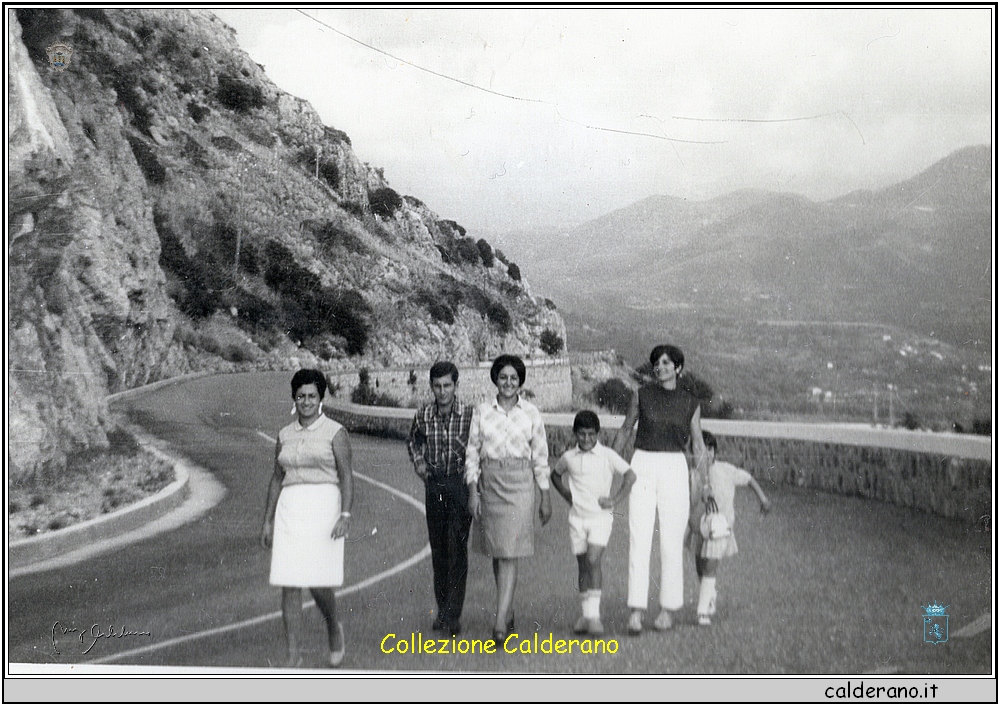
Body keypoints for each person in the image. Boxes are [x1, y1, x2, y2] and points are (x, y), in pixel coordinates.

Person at [612, 344, 716, 635]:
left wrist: (704, 483)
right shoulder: (641, 395)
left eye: (667, 363)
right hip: (643, 463)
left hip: (674, 468)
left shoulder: (690, 402)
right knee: (639, 537)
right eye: (656, 363)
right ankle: (635, 611)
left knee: (672, 541)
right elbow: (624, 431)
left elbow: (697, 444)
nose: (660, 367)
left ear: (678, 368)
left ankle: (668, 608)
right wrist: (609, 465)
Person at [261, 369, 353, 668]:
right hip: (291, 508)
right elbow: (277, 478)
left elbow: (346, 476)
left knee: (316, 581)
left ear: (320, 398)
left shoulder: (335, 432)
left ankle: (333, 626)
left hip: (324, 507)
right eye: (301, 396)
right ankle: (293, 655)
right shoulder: (284, 435)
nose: (306, 402)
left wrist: (345, 514)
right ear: (294, 398)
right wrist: (268, 520)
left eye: (312, 396)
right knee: (289, 581)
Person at [465, 354, 553, 642]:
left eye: (514, 378)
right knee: (498, 550)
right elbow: (472, 453)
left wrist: (545, 496)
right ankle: (509, 607)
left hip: (520, 484)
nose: (508, 383)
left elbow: (540, 457)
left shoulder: (531, 413)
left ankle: (500, 621)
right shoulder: (482, 411)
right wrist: (473, 492)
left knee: (509, 552)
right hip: (491, 483)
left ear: (521, 382)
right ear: (495, 379)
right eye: (503, 377)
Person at [551, 410, 636, 636]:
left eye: (591, 434)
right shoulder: (569, 457)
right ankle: (585, 615)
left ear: (598, 433)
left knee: (593, 560)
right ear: (575, 434)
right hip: (577, 519)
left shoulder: (607, 455)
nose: (586, 439)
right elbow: (555, 475)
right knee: (582, 566)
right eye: (582, 434)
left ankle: (595, 617)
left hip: (600, 518)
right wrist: (567, 495)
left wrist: (615, 499)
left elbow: (630, 475)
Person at [406, 361, 475, 636]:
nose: (443, 391)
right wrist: (419, 463)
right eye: (437, 386)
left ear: (456, 386)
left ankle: (453, 615)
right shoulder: (423, 416)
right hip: (434, 486)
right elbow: (413, 441)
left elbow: (478, 447)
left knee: (456, 547)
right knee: (439, 551)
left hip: (459, 484)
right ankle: (443, 608)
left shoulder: (469, 415)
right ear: (431, 387)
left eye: (447, 385)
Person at [689, 430, 771, 626]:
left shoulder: (725, 470)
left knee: (710, 566)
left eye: (710, 449)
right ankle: (710, 593)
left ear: (715, 451)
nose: (706, 454)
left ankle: (703, 612)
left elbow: (748, 478)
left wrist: (763, 499)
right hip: (699, 528)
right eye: (700, 449)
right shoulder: (691, 474)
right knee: (700, 565)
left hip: (720, 529)